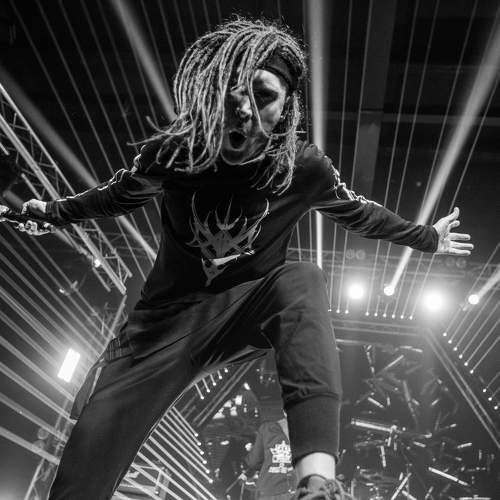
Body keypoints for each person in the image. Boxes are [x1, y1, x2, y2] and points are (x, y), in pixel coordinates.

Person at [13, 17, 473, 500]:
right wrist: (49, 213)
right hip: (160, 329)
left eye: (263, 95)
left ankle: (318, 483)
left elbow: (361, 214)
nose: (244, 111)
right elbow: (113, 196)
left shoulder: (303, 167)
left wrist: (427, 238)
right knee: (79, 479)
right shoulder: (173, 154)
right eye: (230, 96)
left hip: (243, 310)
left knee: (301, 279)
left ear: (287, 105)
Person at [243, 414, 296, 499]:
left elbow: (254, 462)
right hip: (295, 489)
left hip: (269, 489)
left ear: (285, 411)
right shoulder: (310, 430)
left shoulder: (267, 428)